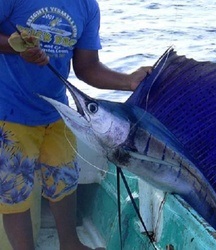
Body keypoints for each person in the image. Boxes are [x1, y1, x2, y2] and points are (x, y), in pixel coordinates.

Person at [0, 0, 151, 249]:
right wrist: (15, 46)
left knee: (65, 179)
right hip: (9, 113)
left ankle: (70, 244)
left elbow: (87, 67)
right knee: (14, 194)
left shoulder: (87, 7)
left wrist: (128, 81)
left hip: (55, 111)